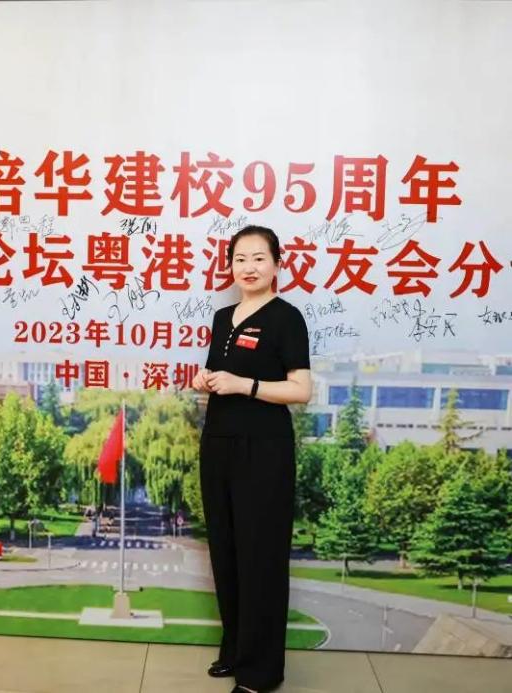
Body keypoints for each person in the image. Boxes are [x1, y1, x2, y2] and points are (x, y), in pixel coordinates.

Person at [192, 225, 312, 693]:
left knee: (261, 557)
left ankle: (260, 674)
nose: (249, 267)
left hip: (264, 450)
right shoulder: (223, 318)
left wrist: (245, 385)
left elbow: (301, 390)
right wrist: (205, 380)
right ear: (230, 265)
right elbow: (221, 373)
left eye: (259, 258)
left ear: (277, 265)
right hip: (218, 444)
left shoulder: (287, 318)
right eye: (240, 259)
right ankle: (235, 651)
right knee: (226, 552)